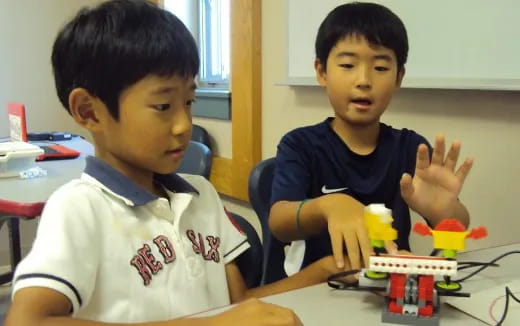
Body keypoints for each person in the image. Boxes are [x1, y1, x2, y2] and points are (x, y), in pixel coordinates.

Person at [5, 1, 348, 325]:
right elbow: (27, 320)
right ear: (89, 111)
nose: (185, 124)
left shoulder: (201, 194)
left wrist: (323, 272)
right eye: (163, 106)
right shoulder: (78, 208)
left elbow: (237, 305)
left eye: (189, 101)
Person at [268, 2, 473, 281]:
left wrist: (443, 211)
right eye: (348, 65)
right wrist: (329, 205)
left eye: (379, 67)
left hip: (393, 289)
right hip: (322, 288)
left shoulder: (412, 149)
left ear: (399, 76)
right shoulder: (301, 145)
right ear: (321, 72)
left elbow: (457, 226)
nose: (363, 80)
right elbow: (279, 222)